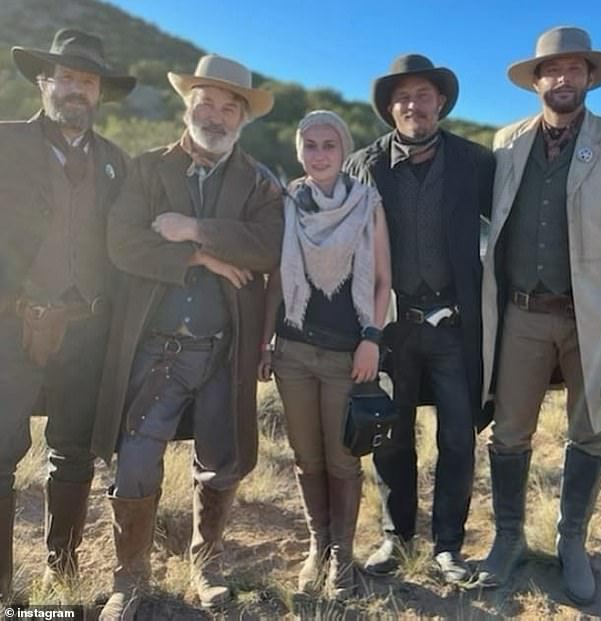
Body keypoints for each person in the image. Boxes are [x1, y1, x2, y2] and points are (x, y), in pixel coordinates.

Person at [91, 54, 283, 618]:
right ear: (187, 104)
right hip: (157, 348)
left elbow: (269, 247)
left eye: (230, 107)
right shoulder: (147, 170)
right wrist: (203, 257)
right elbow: (124, 245)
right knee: (134, 462)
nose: (217, 116)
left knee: (222, 462)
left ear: (243, 119)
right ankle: (129, 577)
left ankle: (207, 565)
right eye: (206, 103)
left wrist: (193, 228)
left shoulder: (258, 179)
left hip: (226, 348)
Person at [477, 27, 601, 605]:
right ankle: (509, 538)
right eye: (553, 70)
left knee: (591, 430)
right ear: (536, 80)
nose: (563, 79)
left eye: (575, 69)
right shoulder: (505, 142)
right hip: (520, 313)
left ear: (589, 78)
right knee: (509, 431)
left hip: (598, 316)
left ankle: (572, 543)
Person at [345, 54, 495, 583]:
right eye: (403, 97)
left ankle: (448, 546)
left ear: (441, 104)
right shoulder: (364, 165)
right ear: (390, 108)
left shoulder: (474, 162)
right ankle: (395, 536)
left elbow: (510, 222)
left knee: (458, 437)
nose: (414, 104)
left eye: (424, 95)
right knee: (391, 435)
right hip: (391, 327)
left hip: (456, 326)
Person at [0, 29, 135, 601]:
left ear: (99, 92)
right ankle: (2, 588)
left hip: (86, 327)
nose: (77, 89)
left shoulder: (116, 163)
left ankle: (63, 574)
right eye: (67, 77)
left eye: (88, 80)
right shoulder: (4, 142)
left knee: (74, 451)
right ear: (43, 81)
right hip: (9, 322)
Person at [258, 110, 391, 598]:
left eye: (328, 145)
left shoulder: (367, 204)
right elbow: (275, 276)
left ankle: (342, 556)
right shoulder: (288, 202)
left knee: (342, 460)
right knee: (305, 457)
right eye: (309, 145)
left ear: (344, 149)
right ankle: (318, 545)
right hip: (292, 350)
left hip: (345, 355)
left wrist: (372, 338)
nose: (319, 155)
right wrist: (264, 341)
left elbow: (381, 280)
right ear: (299, 152)